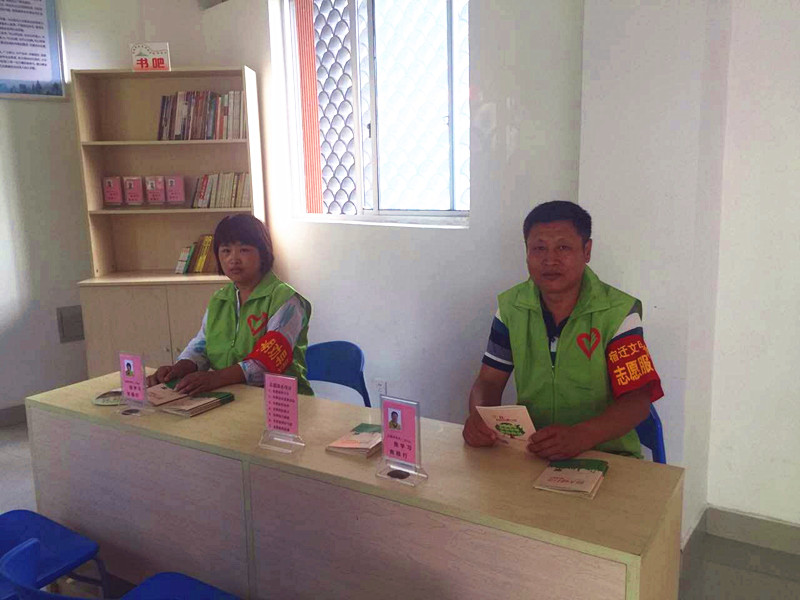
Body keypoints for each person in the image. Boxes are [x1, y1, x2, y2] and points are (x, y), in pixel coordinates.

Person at [462, 201, 663, 460]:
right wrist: (480, 417)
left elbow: (638, 400)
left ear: (587, 251)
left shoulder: (618, 313)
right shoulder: (511, 308)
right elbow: (489, 381)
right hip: (534, 450)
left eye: (563, 247)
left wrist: (582, 436)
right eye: (539, 248)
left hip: (607, 454)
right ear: (526, 252)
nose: (550, 260)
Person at [147, 214, 313, 395]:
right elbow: (202, 345)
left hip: (282, 401)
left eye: (244, 250)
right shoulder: (220, 299)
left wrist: (215, 378)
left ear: (263, 253)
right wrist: (179, 368)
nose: (233, 259)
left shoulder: (287, 300)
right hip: (231, 395)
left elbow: (267, 362)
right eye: (226, 251)